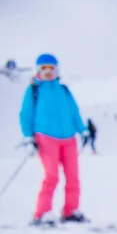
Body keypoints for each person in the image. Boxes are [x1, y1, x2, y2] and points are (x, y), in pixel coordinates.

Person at [19, 53, 88, 225]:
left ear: (57, 70)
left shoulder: (64, 90)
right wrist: (28, 136)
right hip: (45, 137)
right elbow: (26, 113)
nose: (48, 72)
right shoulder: (34, 90)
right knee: (51, 176)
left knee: (73, 176)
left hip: (69, 138)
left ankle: (71, 211)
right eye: (44, 69)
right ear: (38, 71)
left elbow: (74, 112)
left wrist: (83, 130)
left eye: (52, 69)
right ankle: (42, 213)